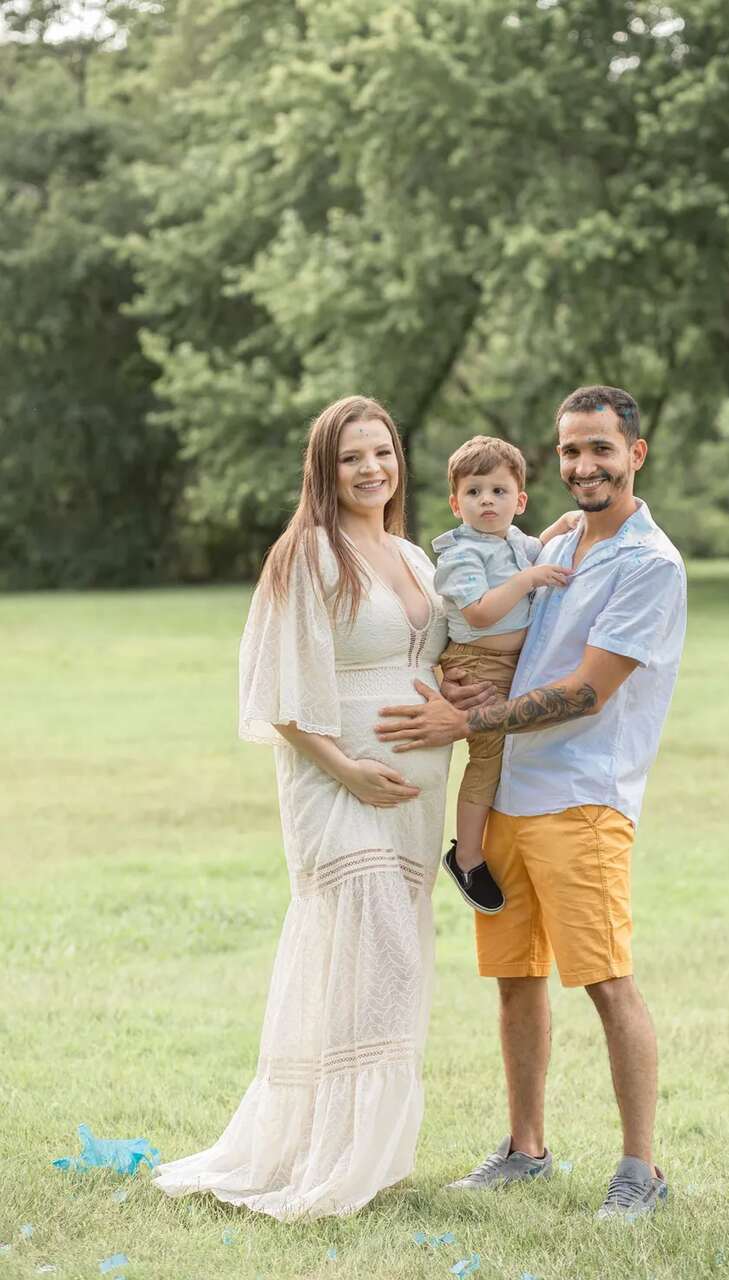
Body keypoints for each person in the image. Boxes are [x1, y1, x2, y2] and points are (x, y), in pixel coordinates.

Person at [377, 385, 687, 1220]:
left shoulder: (649, 565)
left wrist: (464, 716)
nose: (584, 466)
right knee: (517, 978)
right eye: (571, 451)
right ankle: (525, 1149)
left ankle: (641, 1170)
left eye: (601, 450)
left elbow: (586, 693)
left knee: (607, 981)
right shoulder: (551, 541)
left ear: (635, 454)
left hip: (583, 799)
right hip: (509, 791)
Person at [154, 395, 456, 1220]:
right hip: (338, 787)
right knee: (370, 959)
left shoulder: (414, 557)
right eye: (352, 456)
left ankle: (363, 1151)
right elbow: (280, 692)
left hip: (415, 800)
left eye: (383, 453)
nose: (371, 469)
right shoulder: (309, 554)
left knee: (388, 967)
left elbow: (435, 655)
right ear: (324, 469)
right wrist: (351, 769)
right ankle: (328, 1155)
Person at [431, 435, 576, 914]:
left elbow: (537, 547)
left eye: (498, 491)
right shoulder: (461, 555)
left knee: (522, 750)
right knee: (487, 760)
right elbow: (479, 614)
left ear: (520, 501)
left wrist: (560, 528)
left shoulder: (515, 541)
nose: (486, 501)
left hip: (515, 666)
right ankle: (467, 856)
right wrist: (527, 581)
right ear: (456, 503)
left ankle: (512, 841)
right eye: (474, 492)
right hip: (476, 665)